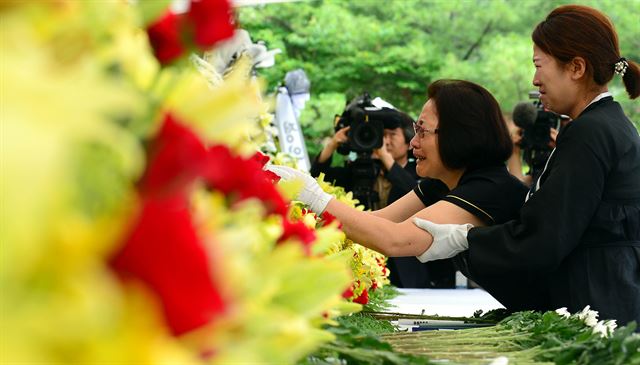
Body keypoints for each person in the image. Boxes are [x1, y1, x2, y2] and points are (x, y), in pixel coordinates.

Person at [412, 5, 640, 327]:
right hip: (613, 290)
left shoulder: (591, 131)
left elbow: (545, 237)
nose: (534, 79)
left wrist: (466, 238)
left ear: (576, 67)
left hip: (597, 300)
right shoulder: (608, 125)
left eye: (538, 65)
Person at [267, 79, 528, 291]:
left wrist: (315, 197)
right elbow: (377, 221)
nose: (413, 142)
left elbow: (396, 240)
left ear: (458, 136)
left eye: (422, 131)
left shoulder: (489, 187)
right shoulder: (442, 182)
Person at [311, 108, 455, 288]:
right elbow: (316, 179)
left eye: (391, 135)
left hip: (408, 270)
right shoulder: (360, 171)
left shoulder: (423, 171)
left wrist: (386, 158)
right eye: (381, 134)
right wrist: (332, 144)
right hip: (366, 263)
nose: (384, 141)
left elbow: (416, 193)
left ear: (408, 140)